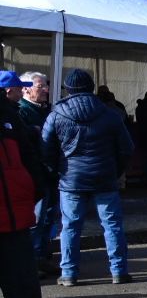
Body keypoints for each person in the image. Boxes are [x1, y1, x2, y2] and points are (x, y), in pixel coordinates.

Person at [41, 69, 133, 286]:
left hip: (71, 178)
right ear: (91, 87)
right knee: (112, 225)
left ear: (68, 89)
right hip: (104, 177)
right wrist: (115, 171)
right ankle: (119, 270)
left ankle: (69, 273)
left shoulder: (56, 114)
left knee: (70, 226)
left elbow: (46, 148)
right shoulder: (110, 113)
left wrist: (57, 172)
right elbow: (127, 148)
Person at [0, 94, 63, 298]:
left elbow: (28, 155)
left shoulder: (7, 111)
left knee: (25, 293)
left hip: (14, 224)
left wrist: (33, 188)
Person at [16, 73, 56, 276]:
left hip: (48, 173)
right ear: (25, 89)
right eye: (40, 86)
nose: (46, 90)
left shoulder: (46, 111)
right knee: (35, 219)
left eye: (45, 86)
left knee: (47, 219)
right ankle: (31, 262)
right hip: (34, 173)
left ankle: (41, 256)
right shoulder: (22, 112)